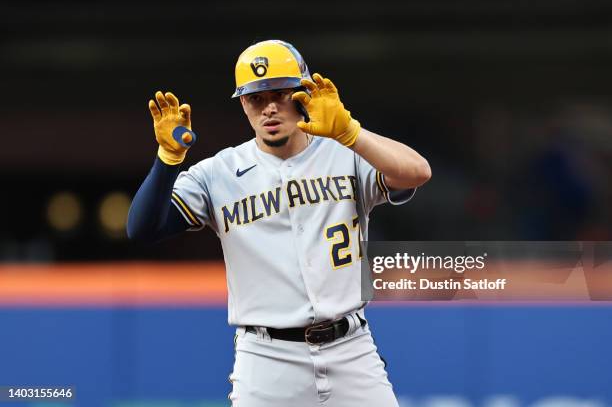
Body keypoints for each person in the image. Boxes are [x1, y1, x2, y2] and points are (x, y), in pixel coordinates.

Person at [127, 39, 431, 407]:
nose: (269, 108)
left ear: (304, 94)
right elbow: (141, 228)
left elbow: (417, 172)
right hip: (267, 358)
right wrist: (167, 159)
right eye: (256, 98)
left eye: (281, 94)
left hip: (350, 348)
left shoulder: (345, 153)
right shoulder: (218, 173)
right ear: (243, 103)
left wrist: (350, 132)